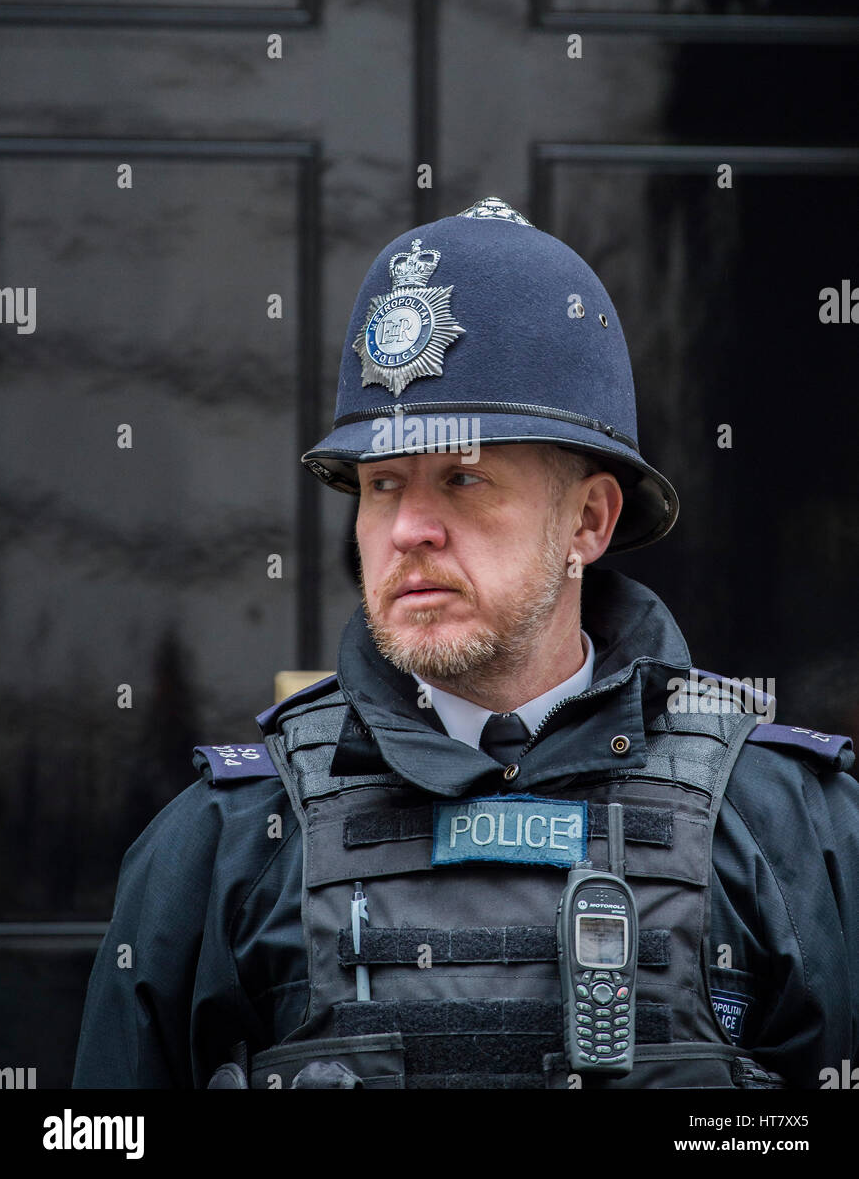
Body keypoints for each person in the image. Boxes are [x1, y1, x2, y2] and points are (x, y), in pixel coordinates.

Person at [73, 196, 859, 1090]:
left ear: (589, 521)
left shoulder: (793, 828)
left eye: (464, 478)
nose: (410, 528)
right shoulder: (223, 844)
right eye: (380, 485)